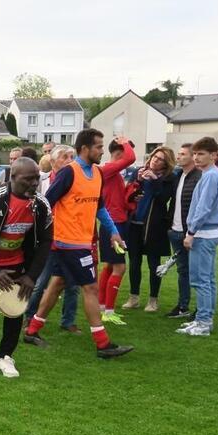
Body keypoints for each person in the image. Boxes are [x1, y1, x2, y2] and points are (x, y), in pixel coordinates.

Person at [23, 129, 133, 358]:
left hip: (80, 242)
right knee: (90, 288)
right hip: (68, 243)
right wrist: (40, 234)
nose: (102, 151)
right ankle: (103, 344)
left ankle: (32, 330)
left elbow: (99, 207)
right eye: (99, 147)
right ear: (85, 148)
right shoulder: (68, 173)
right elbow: (45, 203)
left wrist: (113, 232)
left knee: (57, 284)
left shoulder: (97, 173)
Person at [0, 157, 51, 378]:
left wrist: (32, 275)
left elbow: (45, 242)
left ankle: (6, 356)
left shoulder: (41, 205)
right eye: (28, 179)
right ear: (13, 178)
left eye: (37, 178)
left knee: (14, 312)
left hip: (19, 266)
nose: (34, 183)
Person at [25, 144, 79, 332]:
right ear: (53, 161)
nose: (70, 160)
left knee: (73, 285)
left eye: (72, 156)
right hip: (49, 239)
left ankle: (68, 321)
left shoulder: (77, 181)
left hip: (71, 239)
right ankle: (29, 316)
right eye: (65, 156)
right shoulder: (42, 180)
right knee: (41, 282)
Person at [178, 137, 218, 336]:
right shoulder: (210, 174)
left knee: (201, 280)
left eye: (201, 154)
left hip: (204, 234)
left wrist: (191, 233)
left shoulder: (210, 176)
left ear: (214, 155)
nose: (196, 158)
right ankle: (204, 318)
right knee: (208, 279)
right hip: (208, 232)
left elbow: (203, 208)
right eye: (195, 154)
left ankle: (204, 321)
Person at [122, 146, 176, 313]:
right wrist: (137, 183)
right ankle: (134, 297)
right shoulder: (139, 171)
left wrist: (154, 180)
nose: (155, 160)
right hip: (135, 223)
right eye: (154, 156)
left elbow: (162, 199)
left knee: (154, 265)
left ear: (166, 163)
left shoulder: (170, 178)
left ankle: (153, 300)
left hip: (155, 226)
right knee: (134, 263)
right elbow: (128, 195)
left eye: (160, 159)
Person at [92, 137, 136, 322]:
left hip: (116, 222)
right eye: (126, 150)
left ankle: (103, 306)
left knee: (110, 266)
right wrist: (125, 142)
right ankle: (109, 312)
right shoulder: (107, 170)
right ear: (119, 153)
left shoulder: (112, 173)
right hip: (113, 225)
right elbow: (131, 158)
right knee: (120, 267)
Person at [164, 143, 201, 319]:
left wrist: (192, 232)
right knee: (183, 271)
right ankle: (183, 305)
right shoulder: (178, 176)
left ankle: (201, 308)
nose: (178, 157)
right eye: (178, 154)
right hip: (175, 230)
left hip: (190, 233)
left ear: (193, 156)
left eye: (182, 154)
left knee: (197, 272)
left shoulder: (198, 177)